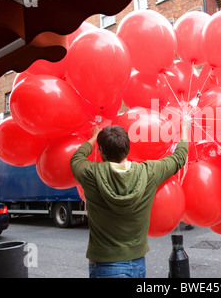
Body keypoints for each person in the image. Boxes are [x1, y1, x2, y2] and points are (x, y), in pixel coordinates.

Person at [70, 116, 191, 278]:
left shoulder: (90, 173)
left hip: (104, 266)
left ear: (102, 152)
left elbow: (76, 158)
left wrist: (93, 138)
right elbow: (179, 158)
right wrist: (185, 130)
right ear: (127, 148)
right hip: (137, 264)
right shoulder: (148, 172)